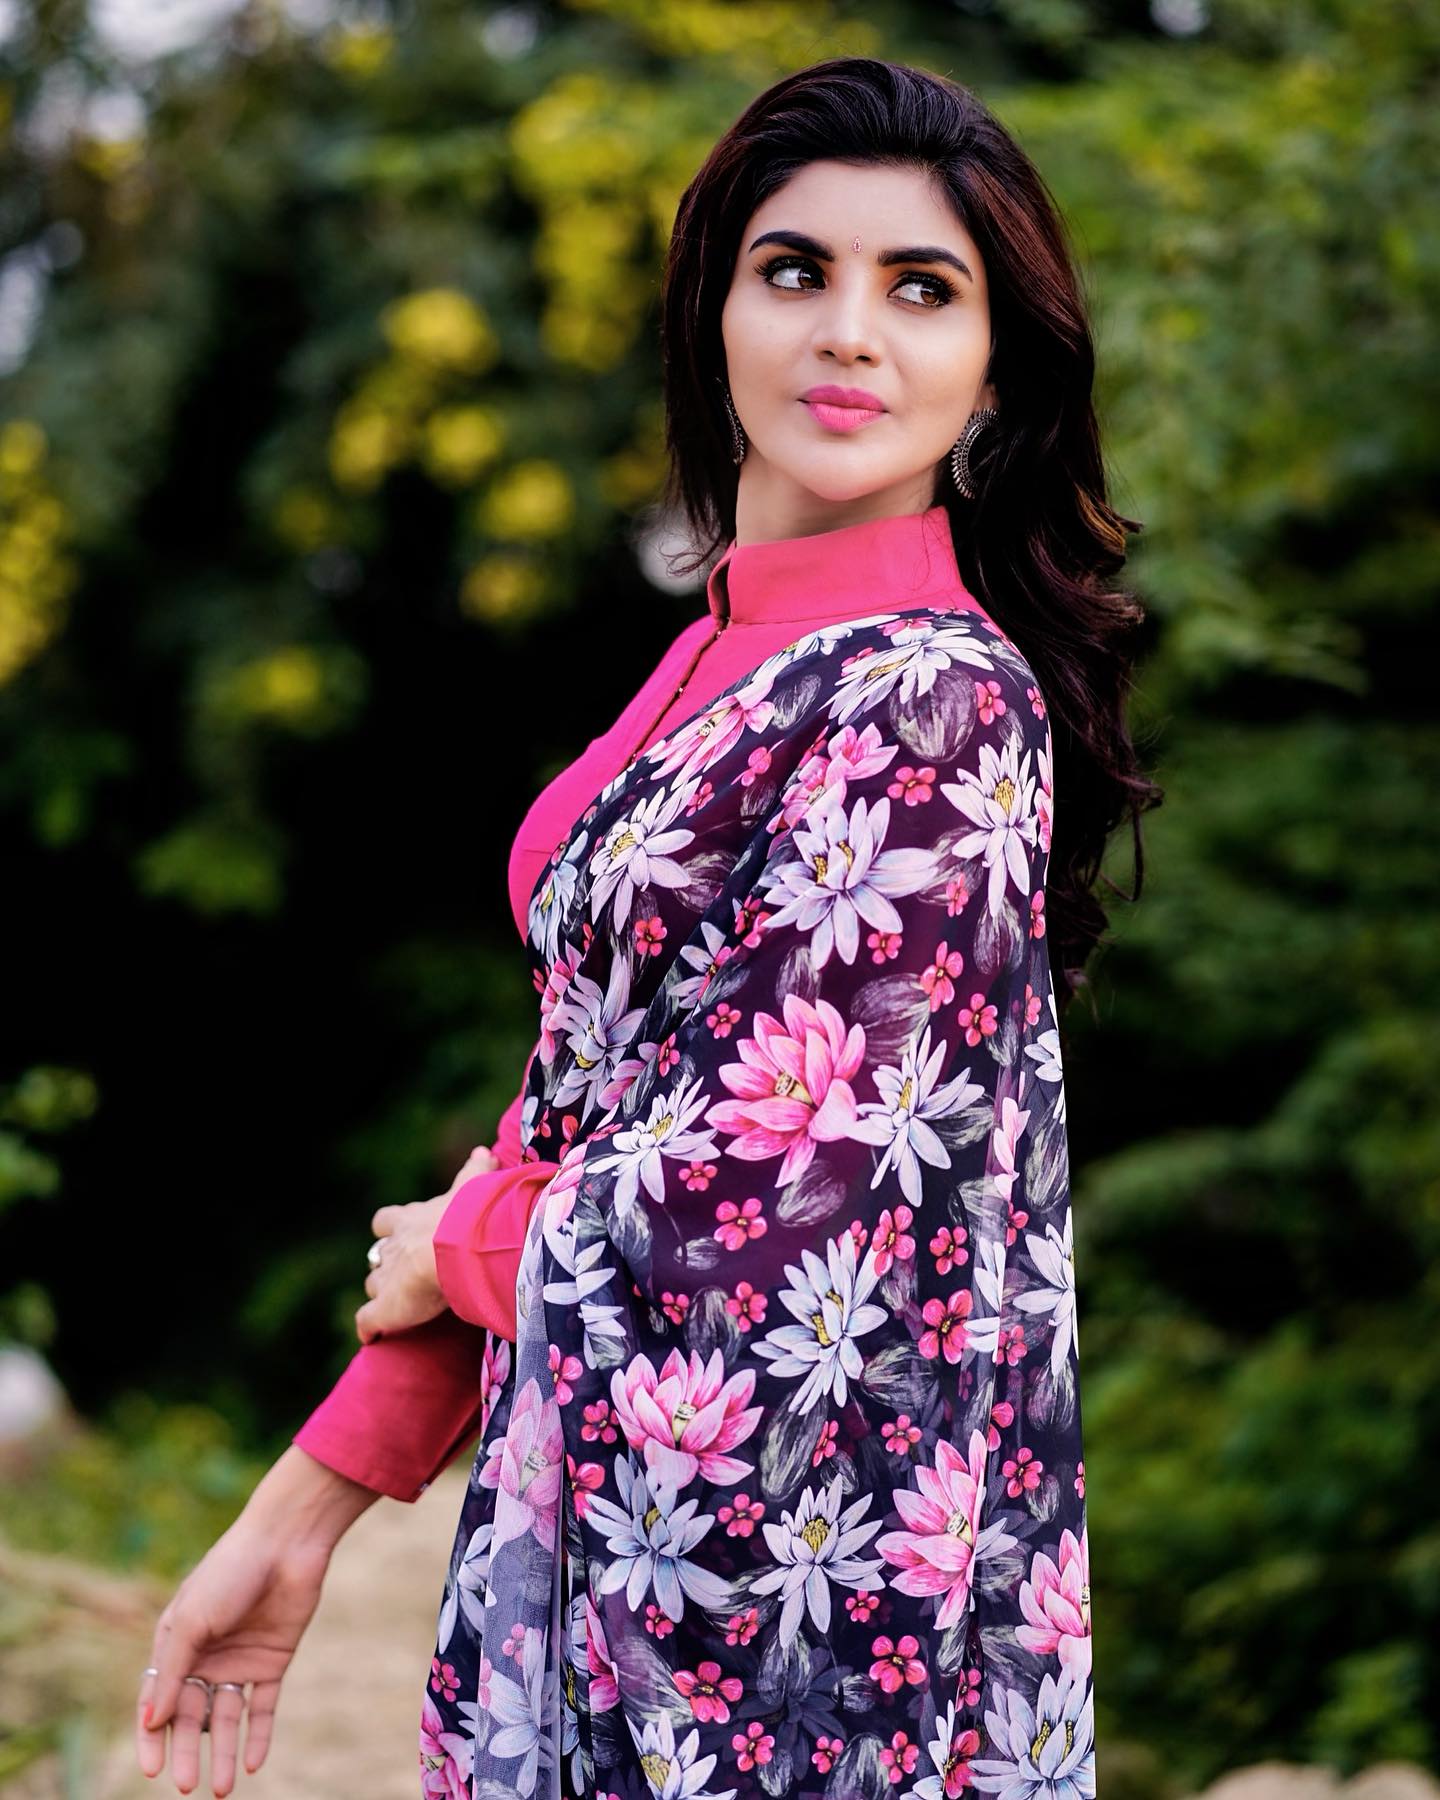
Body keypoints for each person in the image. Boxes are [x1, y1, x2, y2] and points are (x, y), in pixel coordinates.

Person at [136, 54, 1160, 1800]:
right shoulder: (717, 659)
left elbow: (791, 1203)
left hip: (805, 1613)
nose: (850, 333)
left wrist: (474, 1238)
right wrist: (301, 1513)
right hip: (600, 1539)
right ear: (712, 316)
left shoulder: (931, 693)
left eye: (924, 290)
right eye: (794, 270)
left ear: (996, 373)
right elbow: (590, 1102)